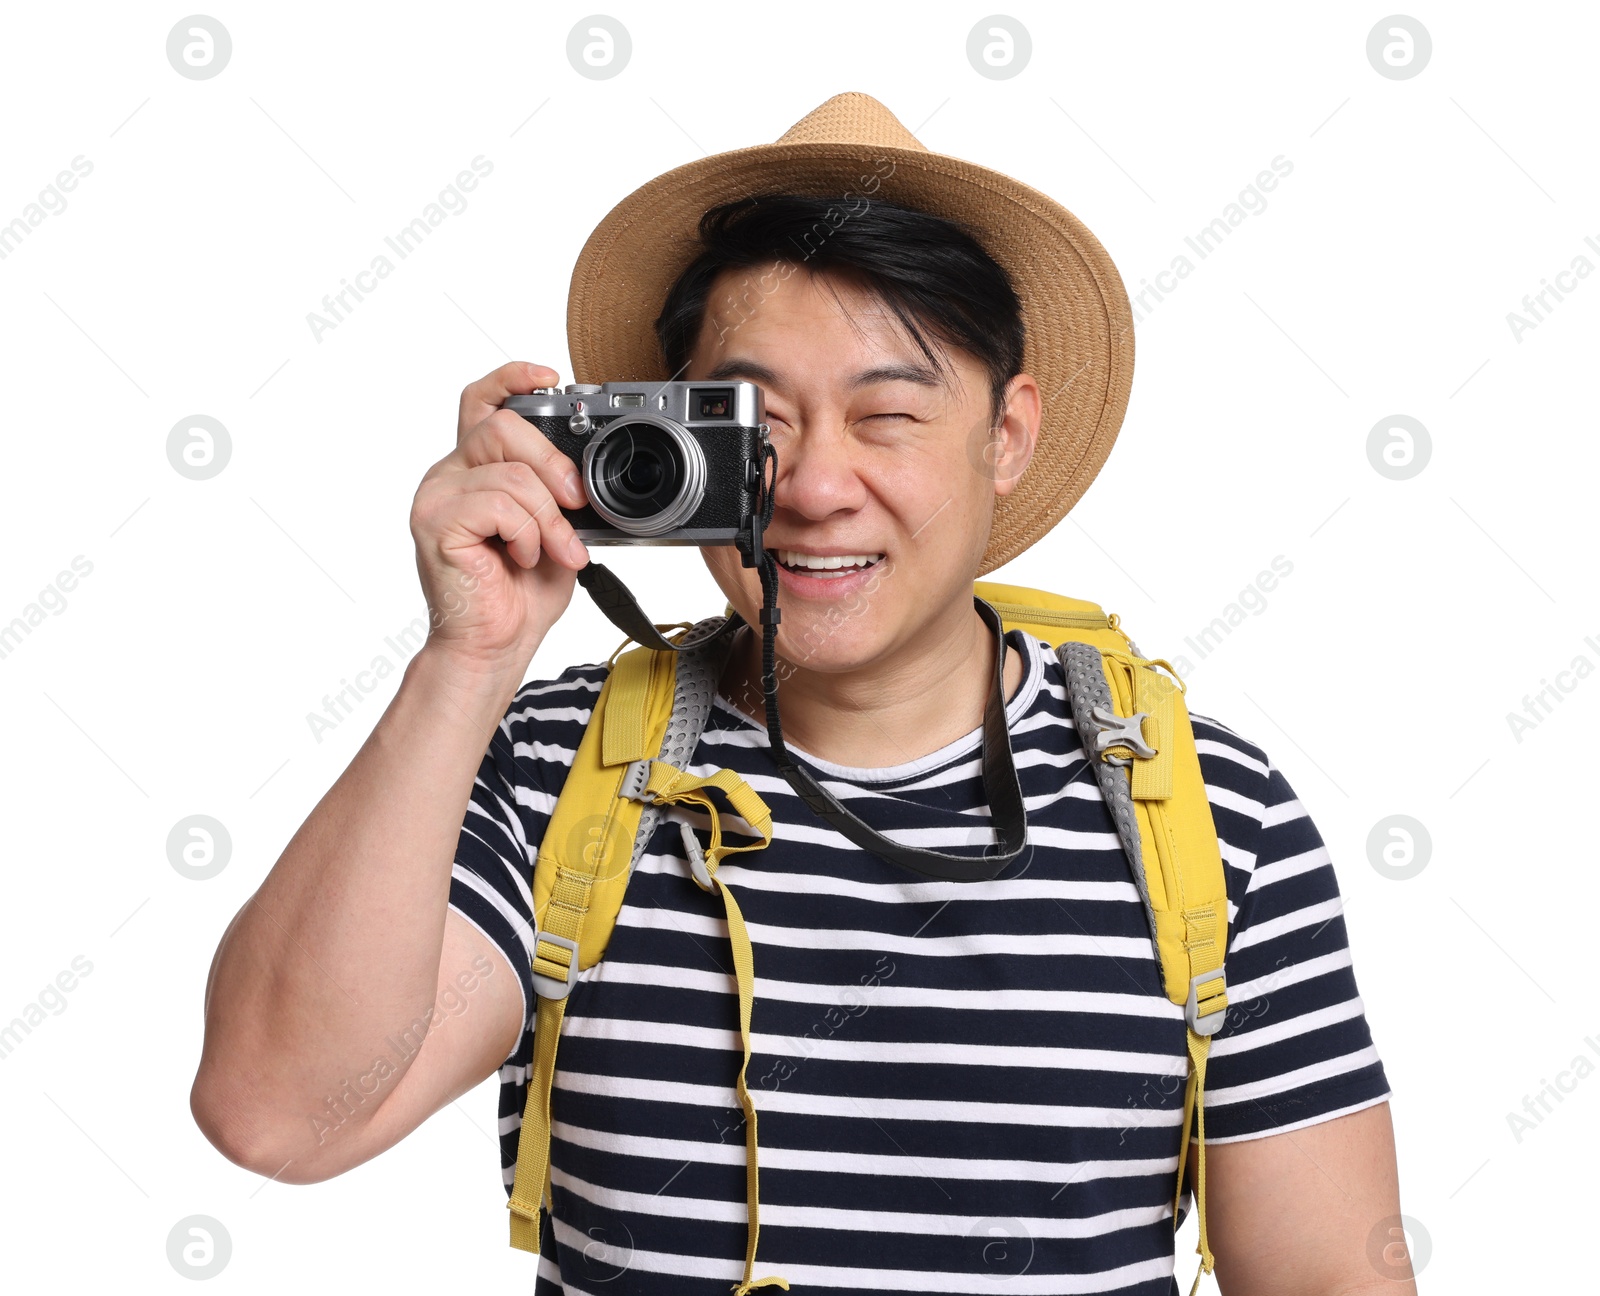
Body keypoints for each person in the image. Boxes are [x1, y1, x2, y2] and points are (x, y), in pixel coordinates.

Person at [191, 93, 1414, 1295]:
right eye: (754, 424)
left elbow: (1324, 1278)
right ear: (672, 432)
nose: (815, 487)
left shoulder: (1211, 814)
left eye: (886, 413)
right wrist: (464, 662)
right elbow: (276, 1115)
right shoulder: (560, 769)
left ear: (1006, 435)